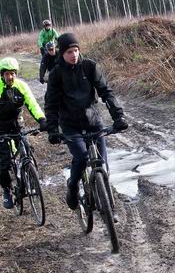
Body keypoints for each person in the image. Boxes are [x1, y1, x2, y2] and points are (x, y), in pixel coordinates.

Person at [44, 33, 129, 210]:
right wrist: (52, 129)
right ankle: (73, 186)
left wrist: (118, 116)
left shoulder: (90, 66)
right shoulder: (56, 74)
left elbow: (106, 92)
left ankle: (109, 208)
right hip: (70, 125)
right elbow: (51, 104)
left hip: (93, 121)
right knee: (82, 157)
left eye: (76, 50)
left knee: (102, 165)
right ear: (62, 53)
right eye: (69, 52)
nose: (74, 55)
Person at [0, 57, 47, 209]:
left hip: (17, 125)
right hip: (0, 129)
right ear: (2, 74)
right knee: (4, 161)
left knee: (27, 150)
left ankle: (30, 177)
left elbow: (32, 103)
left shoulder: (21, 86)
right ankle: (6, 190)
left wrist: (42, 119)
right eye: (7, 74)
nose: (10, 77)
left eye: (13, 73)